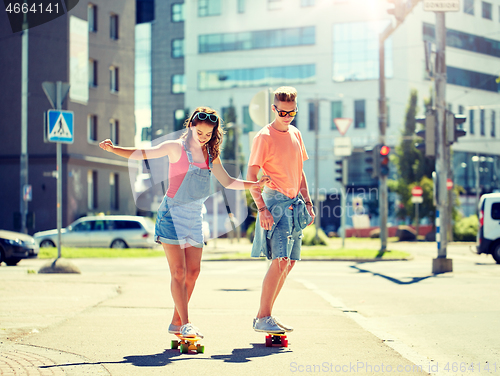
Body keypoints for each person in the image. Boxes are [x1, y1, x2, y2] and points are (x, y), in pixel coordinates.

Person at [100, 107, 270, 339]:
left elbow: (228, 182)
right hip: (171, 215)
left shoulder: (211, 155)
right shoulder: (175, 148)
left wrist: (254, 185)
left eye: (208, 134)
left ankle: (175, 322)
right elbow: (142, 153)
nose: (203, 137)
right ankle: (186, 323)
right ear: (190, 126)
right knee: (178, 272)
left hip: (194, 217)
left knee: (193, 272)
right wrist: (113, 149)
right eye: (199, 132)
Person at [247, 87, 315, 333]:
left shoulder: (296, 134)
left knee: (290, 262)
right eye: (282, 111)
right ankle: (264, 316)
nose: (287, 116)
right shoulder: (263, 136)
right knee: (280, 259)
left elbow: (300, 171)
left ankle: (264, 316)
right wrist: (262, 209)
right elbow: (251, 175)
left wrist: (308, 203)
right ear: (274, 109)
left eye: (292, 112)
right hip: (275, 203)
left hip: (295, 203)